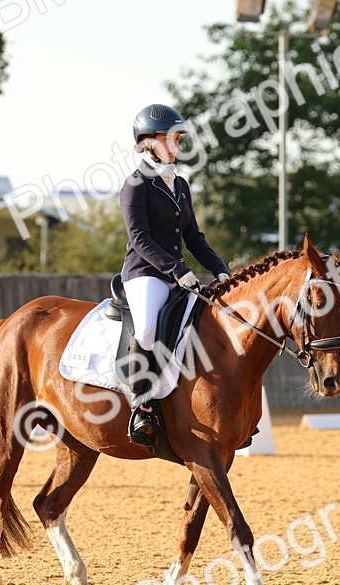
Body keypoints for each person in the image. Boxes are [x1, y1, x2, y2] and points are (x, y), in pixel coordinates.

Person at [120, 103, 230, 447]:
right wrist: (177, 269)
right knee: (150, 328)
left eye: (179, 138)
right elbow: (140, 239)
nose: (177, 144)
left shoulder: (179, 183)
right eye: (171, 138)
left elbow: (193, 237)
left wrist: (220, 269)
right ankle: (141, 404)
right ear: (148, 141)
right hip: (145, 274)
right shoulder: (135, 185)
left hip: (177, 275)